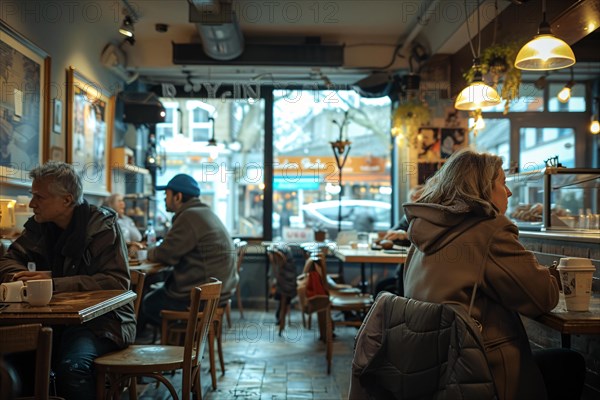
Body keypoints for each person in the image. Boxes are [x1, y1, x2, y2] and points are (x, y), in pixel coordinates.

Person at [402, 149, 585, 400]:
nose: (509, 192)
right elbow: (543, 297)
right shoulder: (489, 229)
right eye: (503, 182)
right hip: (480, 373)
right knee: (568, 363)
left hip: (433, 369)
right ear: (482, 188)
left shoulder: (421, 233)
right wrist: (553, 274)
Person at [0, 161, 136, 400]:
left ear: (66, 200)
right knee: (14, 362)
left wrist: (53, 282)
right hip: (50, 321)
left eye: (39, 197)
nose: (32, 204)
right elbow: (8, 261)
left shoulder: (101, 226)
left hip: (103, 323)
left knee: (72, 368)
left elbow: (115, 282)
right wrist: (21, 280)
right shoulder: (38, 227)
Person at [141, 173, 239, 327]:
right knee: (157, 294)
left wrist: (147, 251)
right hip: (218, 292)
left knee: (147, 303)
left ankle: (180, 339)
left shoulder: (188, 216)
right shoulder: (204, 213)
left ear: (178, 197)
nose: (164, 199)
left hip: (200, 298)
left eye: (166, 195)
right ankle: (179, 338)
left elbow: (164, 255)